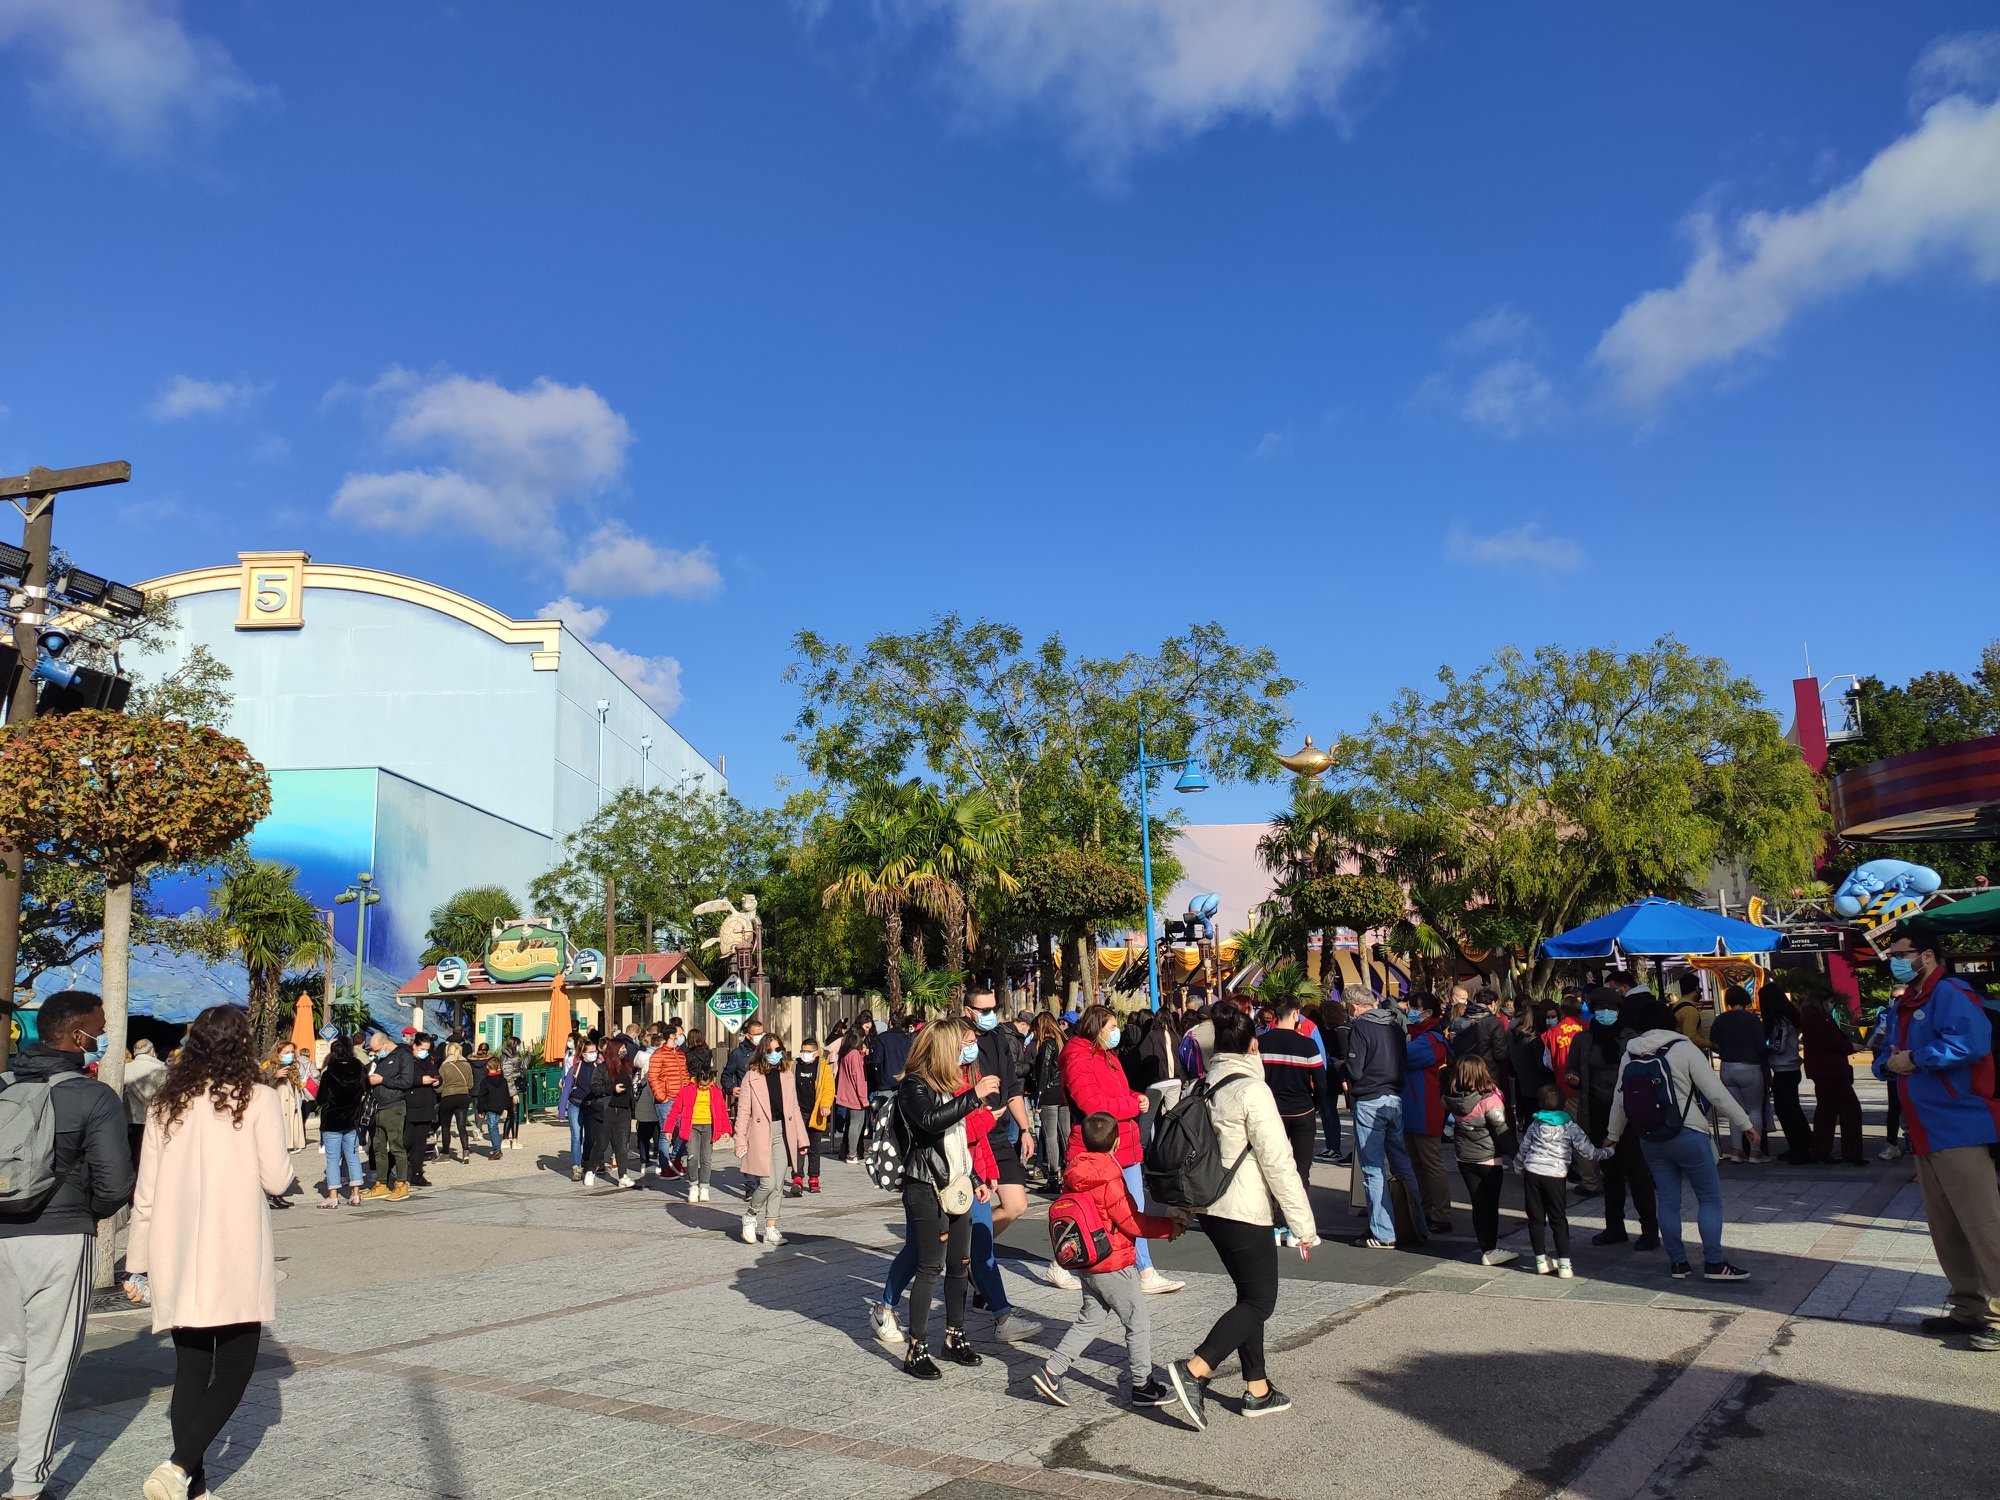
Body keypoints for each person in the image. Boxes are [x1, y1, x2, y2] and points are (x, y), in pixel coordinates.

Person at [126, 1005, 292, 1500]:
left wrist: (136, 1265)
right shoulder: (257, 1098)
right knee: (237, 1367)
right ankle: (179, 1468)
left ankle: (192, 1487)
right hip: (233, 1249)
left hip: (176, 1252)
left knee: (191, 1370)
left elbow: (146, 1194)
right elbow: (278, 1178)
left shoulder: (165, 1104)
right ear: (242, 1044)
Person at [0, 989, 134, 1500]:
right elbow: (115, 1182)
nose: (100, 1039)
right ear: (76, 1033)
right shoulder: (92, 1095)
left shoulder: (4, 1083)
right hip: (58, 1236)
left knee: (7, 1353)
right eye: (97, 1030)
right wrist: (87, 1213)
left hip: (1, 1235)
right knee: (50, 1362)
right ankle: (28, 1483)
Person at [1165, 1006, 1319, 1430]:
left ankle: (1257, 1388)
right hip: (1243, 1208)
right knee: (1259, 1300)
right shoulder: (1252, 1090)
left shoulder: (1199, 1083)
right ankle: (1195, 1368)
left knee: (1248, 1297)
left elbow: (1184, 1153)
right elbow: (1279, 1161)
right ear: (1254, 1044)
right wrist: (1303, 1225)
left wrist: (1180, 1211)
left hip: (1207, 1206)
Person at [1878, 922, 2000, 1352]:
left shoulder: (1951, 994)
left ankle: (1998, 1314)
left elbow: (1972, 1042)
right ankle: (1968, 1308)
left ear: (1926, 955)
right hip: (1926, 1131)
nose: (1894, 961)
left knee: (1984, 1224)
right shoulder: (1907, 1003)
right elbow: (1888, 1051)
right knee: (1946, 1227)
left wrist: (1917, 1059)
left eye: (1900, 953)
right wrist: (1886, 1064)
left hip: (1959, 1126)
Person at [1030, 1112, 1182, 1409]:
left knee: (1091, 1319)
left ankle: (1051, 1371)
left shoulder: (1076, 1171)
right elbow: (1132, 1223)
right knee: (1137, 1321)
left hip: (1086, 1261)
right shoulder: (1110, 1177)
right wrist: (1169, 1228)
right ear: (1117, 1141)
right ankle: (1143, 1385)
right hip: (1113, 1262)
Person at [1605, 998, 1757, 1282]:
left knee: (1668, 1200)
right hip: (1688, 1133)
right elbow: (1716, 1093)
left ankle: (1678, 1263)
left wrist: (1612, 1137)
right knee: (1709, 1198)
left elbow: (1620, 1100)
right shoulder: (1683, 1048)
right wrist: (1745, 1123)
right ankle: (1714, 1262)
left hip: (1650, 1137)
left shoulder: (1630, 1054)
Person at [889, 1018, 1000, 1378]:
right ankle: (916, 1348)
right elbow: (932, 1122)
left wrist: (976, 1176)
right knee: (929, 1266)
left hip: (957, 1182)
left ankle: (954, 1336)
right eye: (963, 1044)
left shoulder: (950, 1085)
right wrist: (975, 1096)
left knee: (960, 1263)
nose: (968, 1050)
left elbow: (957, 1140)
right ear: (944, 1048)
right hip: (925, 1185)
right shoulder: (914, 1086)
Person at [1062, 1005, 1182, 1294]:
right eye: (1111, 1027)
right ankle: (1141, 1269)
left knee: (1130, 1208)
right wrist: (1131, 1105)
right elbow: (1092, 1104)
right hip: (1098, 1143)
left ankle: (1144, 1269)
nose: (1117, 1032)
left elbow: (1117, 1092)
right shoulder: (1079, 1058)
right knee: (1097, 1211)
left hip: (1122, 1142)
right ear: (1096, 1028)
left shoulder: (1107, 1056)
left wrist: (1137, 1097)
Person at [965, 987, 1068, 1317]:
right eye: (983, 1009)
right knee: (979, 1211)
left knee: (1016, 1205)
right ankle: (978, 1274)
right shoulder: (959, 1039)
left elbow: (1012, 1090)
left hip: (998, 1135)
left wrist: (1024, 1129)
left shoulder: (997, 1036)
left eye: (993, 1008)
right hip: (971, 1137)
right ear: (967, 1010)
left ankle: (969, 1254)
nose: (990, 1014)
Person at [1567, 989, 1660, 1250]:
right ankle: (1614, 1227)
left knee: (1638, 1172)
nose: (1605, 1013)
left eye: (1610, 1007)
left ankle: (1650, 1230)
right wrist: (1572, 1078)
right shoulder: (1583, 1040)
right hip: (1599, 1114)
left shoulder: (1631, 1039)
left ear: (1619, 1011)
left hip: (1630, 1116)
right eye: (1600, 1007)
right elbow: (1571, 1069)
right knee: (1611, 1174)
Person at [1346, 992, 1423, 1250]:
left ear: (1355, 1006)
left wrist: (1340, 1068)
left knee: (1373, 1168)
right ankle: (1417, 1225)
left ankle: (1383, 1232)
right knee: (1402, 1164)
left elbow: (1355, 1070)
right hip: (1394, 1097)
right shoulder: (1394, 1025)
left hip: (1369, 1098)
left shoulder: (1360, 1028)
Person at [1515, 1084, 1609, 1277]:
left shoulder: (1535, 1124)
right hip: (1555, 1176)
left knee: (1536, 1219)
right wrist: (1608, 1151)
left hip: (1533, 1172)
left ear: (1539, 1104)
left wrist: (1518, 1167)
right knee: (1558, 1219)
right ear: (1565, 1105)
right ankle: (1565, 1264)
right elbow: (1588, 1152)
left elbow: (1524, 1148)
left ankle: (1540, 1260)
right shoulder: (1570, 1126)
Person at [733, 1032, 807, 1246]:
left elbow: (794, 1107)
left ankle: (771, 1227)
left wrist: (802, 1139)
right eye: (769, 1051)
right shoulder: (751, 1077)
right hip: (760, 1133)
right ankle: (750, 1214)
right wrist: (740, 1140)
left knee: (777, 1186)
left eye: (778, 1050)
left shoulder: (787, 1074)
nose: (775, 1054)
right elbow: (744, 1111)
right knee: (767, 1182)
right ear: (762, 1053)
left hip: (783, 1131)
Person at [1256, 997, 1326, 1216]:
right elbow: (1321, 1083)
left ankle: (1274, 1219)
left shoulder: (1261, 1043)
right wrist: (1314, 1104)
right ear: (1296, 1014)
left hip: (1271, 1112)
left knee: (1272, 1166)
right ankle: (1297, 1221)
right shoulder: (1307, 1044)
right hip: (1302, 1111)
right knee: (1301, 1169)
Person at [1445, 1055, 1516, 1266]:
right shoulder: (1489, 1100)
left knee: (1478, 1204)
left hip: (1464, 1157)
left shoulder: (1452, 1098)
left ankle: (1485, 1246)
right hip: (1488, 1158)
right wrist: (1518, 1156)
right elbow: (1502, 1131)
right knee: (1490, 1205)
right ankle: (1491, 1250)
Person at [1401, 991, 1454, 1235]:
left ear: (1428, 1012)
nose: (1410, 1009)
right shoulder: (1419, 1036)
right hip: (1413, 1109)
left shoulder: (1431, 1040)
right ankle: (1427, 1208)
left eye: (1415, 1006)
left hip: (1425, 1109)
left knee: (1431, 1165)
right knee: (1417, 1165)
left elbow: (1402, 1057)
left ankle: (1441, 1214)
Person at [1800, 988, 1865, 1166]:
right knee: (1850, 1109)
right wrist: (1850, 1046)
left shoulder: (1815, 1017)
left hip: (1825, 1070)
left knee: (1826, 1111)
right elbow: (1830, 1041)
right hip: (1830, 1071)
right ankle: (1851, 1152)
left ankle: (1821, 1151)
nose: (1832, 1004)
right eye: (1830, 1001)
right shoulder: (1815, 1018)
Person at [1707, 987, 1769, 1164]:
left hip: (1727, 1067)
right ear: (1745, 1000)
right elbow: (1760, 1046)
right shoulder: (1752, 1019)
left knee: (1735, 1110)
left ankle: (1736, 1150)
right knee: (1755, 1109)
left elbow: (1714, 1043)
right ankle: (1755, 1152)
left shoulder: (1720, 1019)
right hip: (1750, 1067)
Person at [663, 1063, 731, 1202]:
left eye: (707, 1085)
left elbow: (722, 1111)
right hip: (692, 1126)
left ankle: (704, 1187)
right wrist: (668, 1129)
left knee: (706, 1159)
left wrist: (726, 1129)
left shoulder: (716, 1092)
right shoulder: (686, 1091)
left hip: (709, 1127)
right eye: (702, 1085)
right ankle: (693, 1185)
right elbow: (675, 1110)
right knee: (692, 1157)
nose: (704, 1087)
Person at [1760, 990, 1813, 1164]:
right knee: (1789, 1109)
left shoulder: (1780, 1022)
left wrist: (1764, 1045)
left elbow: (1778, 1046)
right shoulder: (1787, 1019)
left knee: (1788, 1110)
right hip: (1788, 1068)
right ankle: (1799, 1146)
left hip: (1785, 1069)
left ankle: (1801, 1148)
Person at [361, 1028, 415, 1201]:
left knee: (396, 1146)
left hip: (394, 1106)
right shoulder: (380, 1058)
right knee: (378, 1147)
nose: (375, 1053)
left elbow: (407, 1081)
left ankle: (401, 1183)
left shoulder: (403, 1056)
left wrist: (383, 1080)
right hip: (377, 1106)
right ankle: (381, 1183)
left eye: (377, 1050)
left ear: (385, 1043)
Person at [315, 1036, 368, 1208]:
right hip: (352, 1119)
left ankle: (333, 1195)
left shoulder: (330, 1072)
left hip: (332, 1120)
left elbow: (321, 1098)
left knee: (332, 1159)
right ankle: (356, 1193)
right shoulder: (359, 1068)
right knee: (353, 1157)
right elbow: (365, 1090)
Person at [1026, 1013, 1070, 1189]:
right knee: (1066, 1135)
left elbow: (1044, 1073)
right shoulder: (1065, 1042)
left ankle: (1053, 1176)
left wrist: (1038, 1099)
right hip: (1064, 1093)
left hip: (1049, 1094)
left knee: (1050, 1136)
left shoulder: (1047, 1045)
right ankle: (1069, 1172)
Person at [648, 1024, 692, 1178]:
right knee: (666, 1133)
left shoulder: (680, 1054)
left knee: (681, 1132)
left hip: (681, 1099)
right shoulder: (659, 1054)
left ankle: (676, 1160)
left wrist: (687, 1092)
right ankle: (665, 1166)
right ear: (672, 1035)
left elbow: (685, 1074)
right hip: (666, 1100)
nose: (682, 1036)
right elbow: (652, 1077)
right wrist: (661, 1096)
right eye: (680, 1033)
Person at [793, 1035, 835, 1193]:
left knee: (814, 1147)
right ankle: (797, 1177)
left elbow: (828, 1089)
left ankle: (814, 1177)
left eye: (808, 1051)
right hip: (798, 1112)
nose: (805, 1054)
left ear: (816, 1053)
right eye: (802, 1051)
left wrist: (825, 1105)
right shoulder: (794, 1066)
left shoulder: (824, 1067)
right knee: (798, 1146)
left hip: (816, 1112)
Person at [568, 1040, 608, 1185]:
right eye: (590, 1052)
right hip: (576, 1104)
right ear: (583, 1053)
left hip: (592, 1106)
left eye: (595, 1051)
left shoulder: (599, 1067)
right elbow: (567, 1088)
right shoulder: (576, 1067)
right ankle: (576, 1167)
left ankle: (587, 1160)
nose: (594, 1054)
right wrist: (561, 1110)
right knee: (576, 1135)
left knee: (591, 1137)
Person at [123, 1038, 168, 1166]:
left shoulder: (125, 1068)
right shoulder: (160, 1069)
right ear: (152, 1050)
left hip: (129, 1120)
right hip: (151, 1119)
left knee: (131, 1157)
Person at [600, 1035, 638, 1186]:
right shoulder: (604, 1068)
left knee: (622, 1144)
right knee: (601, 1144)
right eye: (621, 1048)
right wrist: (612, 1088)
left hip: (624, 1109)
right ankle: (591, 1168)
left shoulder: (628, 1066)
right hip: (608, 1109)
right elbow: (596, 1088)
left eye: (624, 1048)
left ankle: (623, 1176)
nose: (624, 1050)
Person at [261, 1039, 307, 1160]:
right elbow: (261, 1085)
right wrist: (274, 1076)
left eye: (292, 1052)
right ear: (278, 1052)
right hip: (278, 1106)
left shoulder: (294, 1067)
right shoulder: (269, 1065)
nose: (290, 1055)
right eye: (286, 1052)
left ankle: (291, 1145)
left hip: (292, 1106)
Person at [404, 1033, 440, 1187]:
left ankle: (417, 1174)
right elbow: (402, 1079)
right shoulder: (406, 1060)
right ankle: (396, 1168)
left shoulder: (429, 1060)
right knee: (406, 1141)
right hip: (410, 1105)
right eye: (422, 1048)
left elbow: (437, 1073)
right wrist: (420, 1080)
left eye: (427, 1049)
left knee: (420, 1143)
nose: (424, 1051)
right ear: (414, 1046)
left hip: (426, 1105)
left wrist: (438, 1081)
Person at [835, 1028, 872, 1162]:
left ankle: (849, 1151)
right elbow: (858, 1078)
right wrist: (864, 1098)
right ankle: (852, 1153)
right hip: (856, 1096)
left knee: (851, 1124)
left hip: (847, 1094)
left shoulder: (846, 1053)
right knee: (856, 1124)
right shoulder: (854, 1055)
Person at [436, 1042, 474, 1164]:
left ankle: (445, 1154)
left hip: (448, 1097)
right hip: (463, 1097)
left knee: (446, 1127)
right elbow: (471, 1084)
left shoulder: (444, 1066)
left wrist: (437, 1090)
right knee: (461, 1126)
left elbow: (440, 1087)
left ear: (448, 1051)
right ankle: (466, 1152)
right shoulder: (467, 1065)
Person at [474, 1052, 512, 1161]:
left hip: (489, 1107)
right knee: (494, 1126)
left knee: (492, 1128)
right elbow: (506, 1094)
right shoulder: (503, 1080)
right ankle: (497, 1148)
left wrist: (480, 1110)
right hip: (499, 1106)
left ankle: (496, 1150)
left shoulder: (485, 1081)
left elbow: (481, 1096)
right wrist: (505, 1107)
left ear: (487, 1067)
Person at [721, 1019, 764, 1108]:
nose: (760, 1037)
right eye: (757, 1035)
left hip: (766, 1101)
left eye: (762, 1034)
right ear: (748, 1036)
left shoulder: (768, 1051)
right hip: (746, 1103)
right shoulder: (738, 1054)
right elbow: (726, 1075)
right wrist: (731, 1088)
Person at [499, 1035, 526, 1150]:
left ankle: (505, 1139)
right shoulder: (507, 1059)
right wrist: (514, 1093)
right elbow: (508, 1077)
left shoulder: (512, 1057)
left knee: (511, 1115)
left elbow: (520, 1067)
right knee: (514, 1115)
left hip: (512, 1088)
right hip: (512, 1088)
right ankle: (514, 1140)